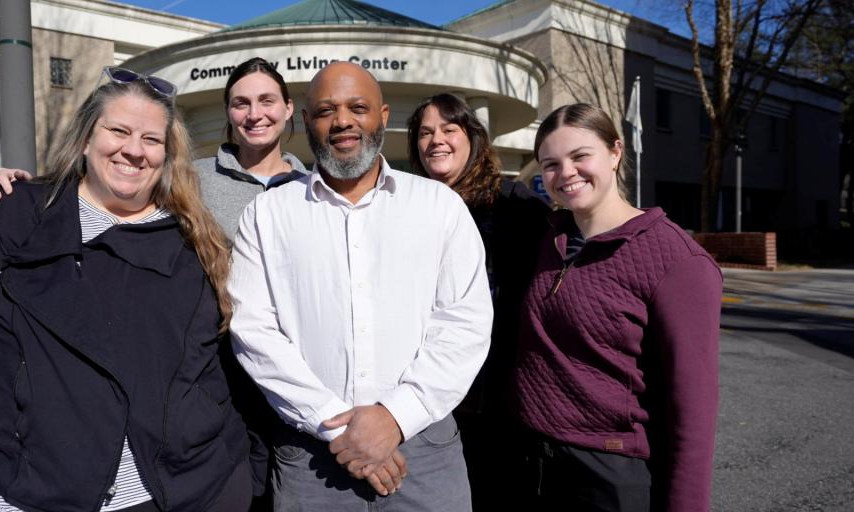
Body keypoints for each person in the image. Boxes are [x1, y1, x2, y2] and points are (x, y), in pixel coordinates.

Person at [0, 67, 260, 512]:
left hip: (174, 491)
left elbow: (212, 362)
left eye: (152, 140)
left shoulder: (193, 239)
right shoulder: (18, 210)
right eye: (118, 130)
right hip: (29, 490)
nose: (133, 151)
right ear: (85, 138)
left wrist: (242, 475)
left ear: (167, 155)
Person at [228, 62, 493, 511]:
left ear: (383, 116)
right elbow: (254, 331)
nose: (343, 121)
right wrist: (337, 427)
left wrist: (394, 417)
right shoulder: (266, 215)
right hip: (312, 457)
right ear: (307, 121)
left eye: (358, 107)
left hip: (423, 450)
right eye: (326, 110)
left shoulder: (439, 207)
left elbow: (464, 324)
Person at [515, 103, 722, 511]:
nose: (566, 173)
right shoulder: (547, 240)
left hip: (607, 474)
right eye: (550, 164)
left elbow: (693, 409)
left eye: (580, 156)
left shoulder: (677, 261)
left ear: (615, 152)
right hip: (531, 463)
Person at [0, 57, 306, 240]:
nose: (254, 114)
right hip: (211, 355)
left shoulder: (314, 188)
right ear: (229, 112)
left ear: (288, 108)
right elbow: (109, 188)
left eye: (267, 101)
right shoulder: (190, 178)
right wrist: (22, 187)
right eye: (241, 103)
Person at [406, 93, 550, 511]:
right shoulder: (408, 207)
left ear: (473, 138)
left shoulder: (513, 204)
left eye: (449, 130)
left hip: (498, 398)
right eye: (426, 132)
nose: (437, 140)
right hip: (427, 393)